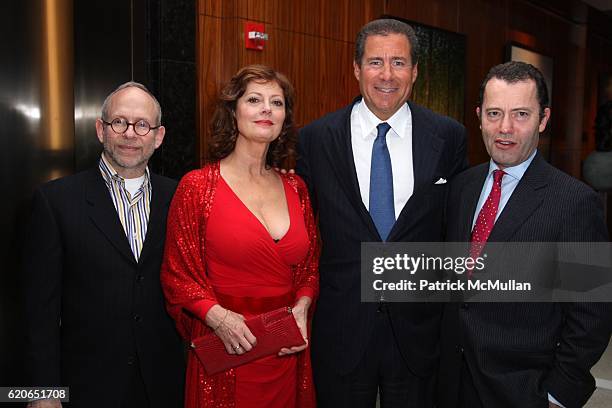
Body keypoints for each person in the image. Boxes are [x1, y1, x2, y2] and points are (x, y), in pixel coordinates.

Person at [297, 18, 467, 407]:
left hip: (418, 332)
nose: (387, 75)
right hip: (342, 328)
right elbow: (303, 229)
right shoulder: (316, 138)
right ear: (356, 69)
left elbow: (455, 232)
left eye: (399, 62)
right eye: (375, 62)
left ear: (415, 71)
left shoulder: (448, 137)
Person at [438, 61, 612, 408]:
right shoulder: (461, 187)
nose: (505, 128)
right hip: (449, 385)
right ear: (478, 115)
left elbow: (592, 314)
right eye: (494, 113)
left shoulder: (575, 202)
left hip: (522, 393)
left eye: (520, 114)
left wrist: (556, 394)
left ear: (543, 119)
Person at [161, 65, 319, 408]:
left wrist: (302, 309)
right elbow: (177, 276)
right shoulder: (197, 187)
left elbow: (309, 267)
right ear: (233, 113)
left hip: (284, 352)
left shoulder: (297, 187)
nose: (267, 109)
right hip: (226, 350)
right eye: (254, 100)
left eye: (276, 103)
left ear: (284, 119)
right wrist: (219, 318)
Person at [22, 82, 185, 407]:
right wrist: (43, 392)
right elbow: (40, 310)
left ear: (159, 136)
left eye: (142, 125)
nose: (130, 133)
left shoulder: (181, 197)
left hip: (165, 383)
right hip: (88, 385)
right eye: (118, 122)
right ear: (101, 129)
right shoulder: (55, 201)